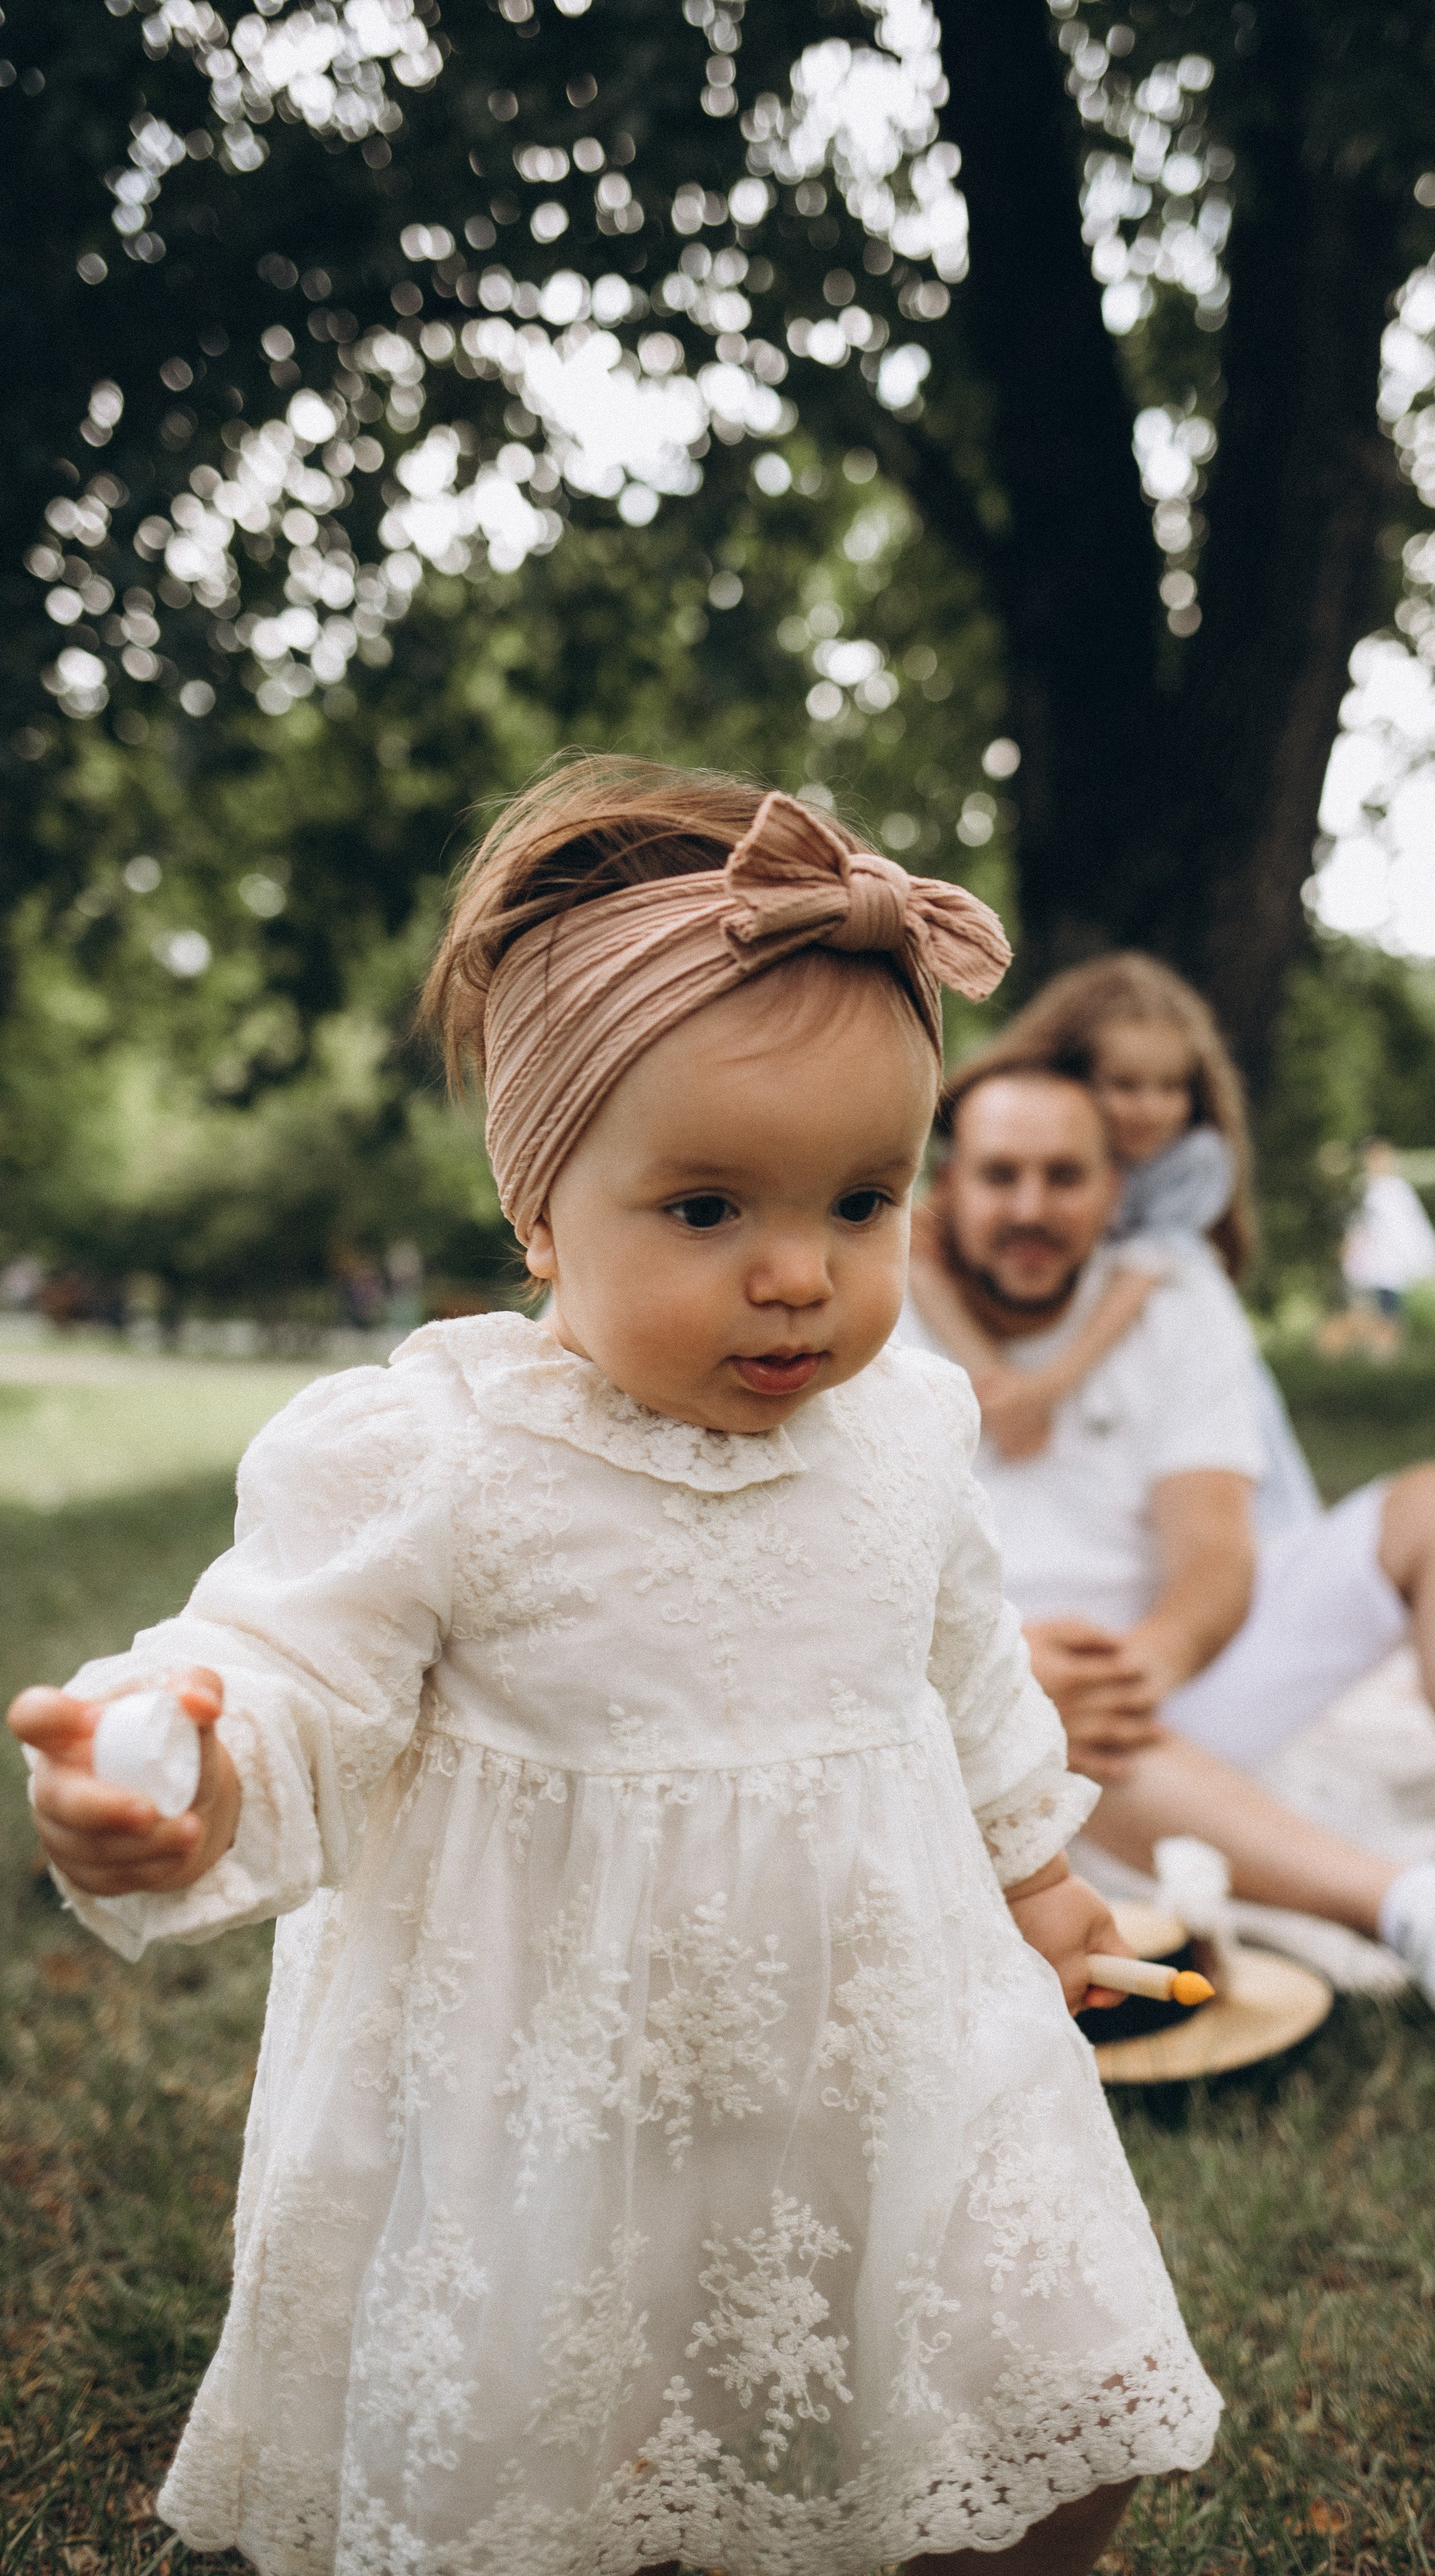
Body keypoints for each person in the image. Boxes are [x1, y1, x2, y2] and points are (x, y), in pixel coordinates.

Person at [8, 765, 1222, 2576]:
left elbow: (963, 1670)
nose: (799, 1276)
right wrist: (186, 1773)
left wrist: (1040, 1881)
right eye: (709, 1211)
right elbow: (284, 1661)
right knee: (602, 2446)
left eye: (863, 1201)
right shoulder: (451, 1454)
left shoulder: (902, 1434)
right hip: (566, 2082)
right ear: (542, 1213)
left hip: (880, 2043)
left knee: (1047, 2397)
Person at [896, 1055, 1435, 2092]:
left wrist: (1157, 1655)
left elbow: (1212, 1547)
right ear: (949, 1184)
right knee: (1038, 1724)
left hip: (1169, 1671)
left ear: (1115, 1188)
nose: (1030, 1206)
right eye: (1000, 1175)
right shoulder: (884, 1324)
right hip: (1000, 1708)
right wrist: (1000, 1668)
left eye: (1065, 1177)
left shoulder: (1170, 1303)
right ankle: (1430, 1915)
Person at [908, 955, 1320, 1534]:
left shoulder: (1186, 1169)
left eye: (1171, 1088)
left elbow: (1136, 1278)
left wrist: (1043, 1388)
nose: (1150, 1110)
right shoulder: (1022, 1144)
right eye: (1125, 1086)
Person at [1324, 1138, 1435, 1360]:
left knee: (1388, 1317)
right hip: (1364, 1269)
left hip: (1389, 1270)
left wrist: (1424, 1261)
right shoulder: (1362, 1188)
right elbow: (1354, 1227)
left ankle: (1383, 1359)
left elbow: (1412, 1230)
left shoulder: (1398, 1191)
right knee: (1363, 1315)